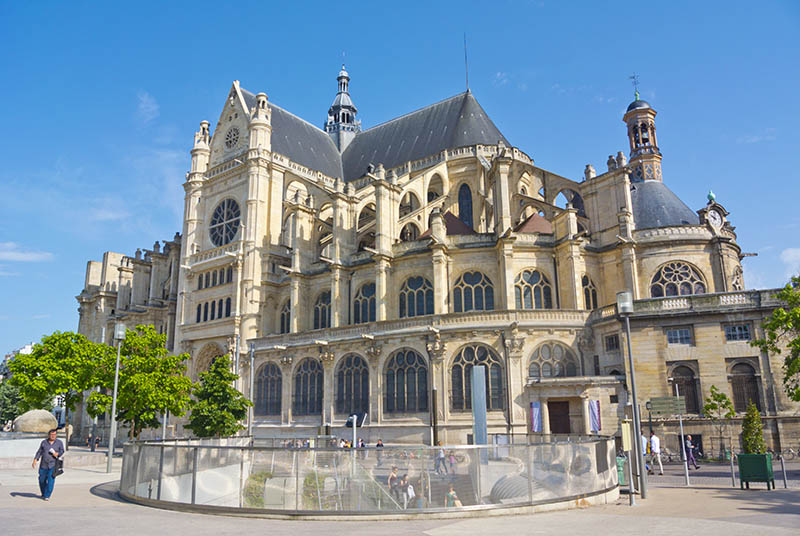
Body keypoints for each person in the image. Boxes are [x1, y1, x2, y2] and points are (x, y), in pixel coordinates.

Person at [33, 429, 64, 501]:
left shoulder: (59, 442)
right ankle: (44, 493)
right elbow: (39, 452)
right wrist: (35, 459)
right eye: (52, 435)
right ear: (49, 435)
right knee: (41, 480)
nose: (53, 436)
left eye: (54, 435)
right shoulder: (44, 442)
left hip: (53, 465)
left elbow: (62, 450)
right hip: (43, 465)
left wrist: (58, 454)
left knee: (51, 480)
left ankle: (47, 495)